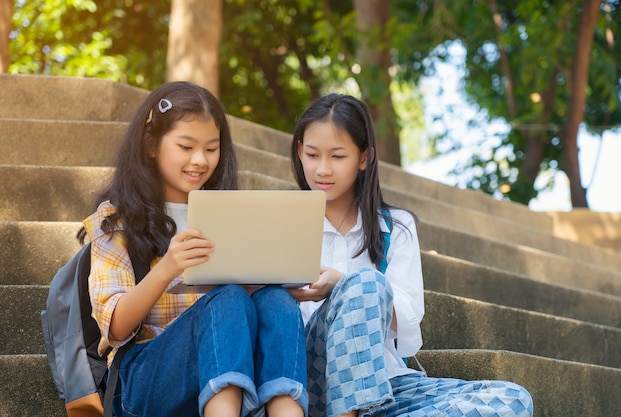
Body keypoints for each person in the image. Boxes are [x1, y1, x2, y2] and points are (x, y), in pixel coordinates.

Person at [288, 93, 533, 417]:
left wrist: (346, 288)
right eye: (313, 154)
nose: (322, 169)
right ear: (299, 152)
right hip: (309, 380)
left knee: (514, 400)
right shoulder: (284, 221)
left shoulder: (395, 227)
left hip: (387, 386)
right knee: (364, 282)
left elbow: (408, 312)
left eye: (337, 156)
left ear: (364, 158)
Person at [78, 81, 308, 417]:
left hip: (228, 369)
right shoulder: (115, 221)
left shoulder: (235, 214)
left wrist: (272, 282)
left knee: (275, 301)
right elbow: (114, 328)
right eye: (186, 147)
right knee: (227, 299)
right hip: (145, 379)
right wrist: (167, 267)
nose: (200, 160)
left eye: (211, 149)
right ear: (151, 145)